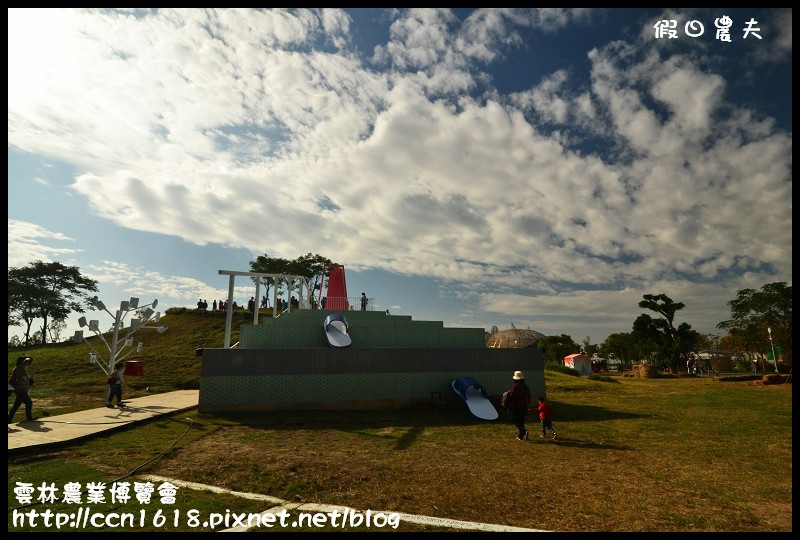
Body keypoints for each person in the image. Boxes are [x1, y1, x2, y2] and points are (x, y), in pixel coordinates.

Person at [8, 356, 35, 423]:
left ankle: (9, 419)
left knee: (16, 405)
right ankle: (29, 418)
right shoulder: (17, 369)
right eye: (25, 362)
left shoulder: (23, 370)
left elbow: (27, 380)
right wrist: (28, 358)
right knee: (29, 403)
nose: (27, 363)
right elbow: (25, 362)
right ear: (22, 362)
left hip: (23, 390)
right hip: (20, 390)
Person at [506, 370, 531, 441]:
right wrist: (528, 402)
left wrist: (509, 401)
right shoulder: (526, 386)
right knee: (521, 421)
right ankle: (521, 436)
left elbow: (512, 396)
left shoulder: (515, 386)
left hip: (517, 406)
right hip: (524, 406)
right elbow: (528, 396)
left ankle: (524, 431)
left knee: (515, 420)